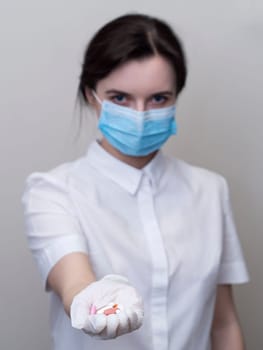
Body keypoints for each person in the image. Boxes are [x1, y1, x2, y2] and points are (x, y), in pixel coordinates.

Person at [22, 13, 249, 350]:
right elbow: (73, 282)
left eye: (158, 99)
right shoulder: (53, 192)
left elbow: (224, 322)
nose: (140, 115)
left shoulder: (210, 191)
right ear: (91, 96)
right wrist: (90, 300)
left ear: (175, 99)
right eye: (120, 98)